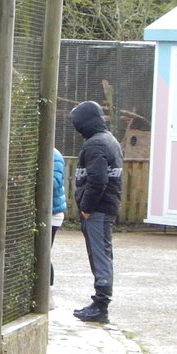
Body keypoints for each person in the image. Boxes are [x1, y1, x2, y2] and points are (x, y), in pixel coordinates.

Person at [70, 101, 122, 323]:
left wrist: (87, 208)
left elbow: (97, 181)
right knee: (102, 253)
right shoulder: (108, 141)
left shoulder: (95, 145)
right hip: (105, 208)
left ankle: (101, 305)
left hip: (98, 210)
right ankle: (99, 303)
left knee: (100, 255)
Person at [51, 148, 66, 284]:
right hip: (43, 213)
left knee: (43, 254)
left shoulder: (55, 155)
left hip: (52, 214)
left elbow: (55, 182)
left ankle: (48, 292)